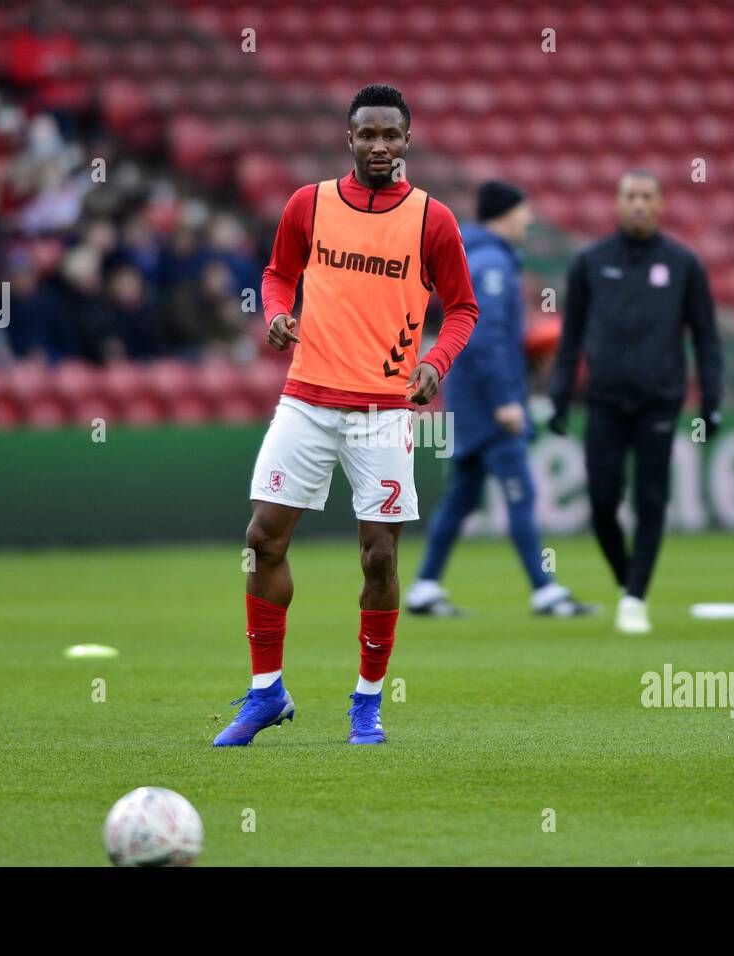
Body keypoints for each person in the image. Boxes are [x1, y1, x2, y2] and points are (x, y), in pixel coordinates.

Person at [212, 84, 476, 747]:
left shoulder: (431, 220)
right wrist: (275, 314)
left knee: (379, 559)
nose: (380, 146)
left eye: (391, 135)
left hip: (384, 411)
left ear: (408, 141)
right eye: (368, 135)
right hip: (305, 398)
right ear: (348, 139)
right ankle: (266, 691)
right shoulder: (310, 203)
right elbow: (277, 274)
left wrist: (436, 363)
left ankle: (366, 703)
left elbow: (463, 309)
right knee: (261, 539)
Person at [406, 181, 595, 618]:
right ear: (506, 214)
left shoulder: (482, 257)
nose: (529, 219)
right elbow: (483, 338)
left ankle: (424, 587)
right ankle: (544, 590)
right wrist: (505, 400)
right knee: (520, 492)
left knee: (462, 497)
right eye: (524, 211)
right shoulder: (491, 263)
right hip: (489, 405)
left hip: (471, 401)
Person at [549, 170, 722, 634]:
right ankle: (630, 582)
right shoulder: (590, 261)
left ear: (661, 203)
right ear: (618, 203)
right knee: (602, 503)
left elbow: (706, 337)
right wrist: (560, 396)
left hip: (658, 402)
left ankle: (635, 597)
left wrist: (712, 399)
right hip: (603, 401)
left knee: (651, 501)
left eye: (647, 196)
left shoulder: (683, 263)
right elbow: (571, 338)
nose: (639, 204)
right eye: (631, 196)